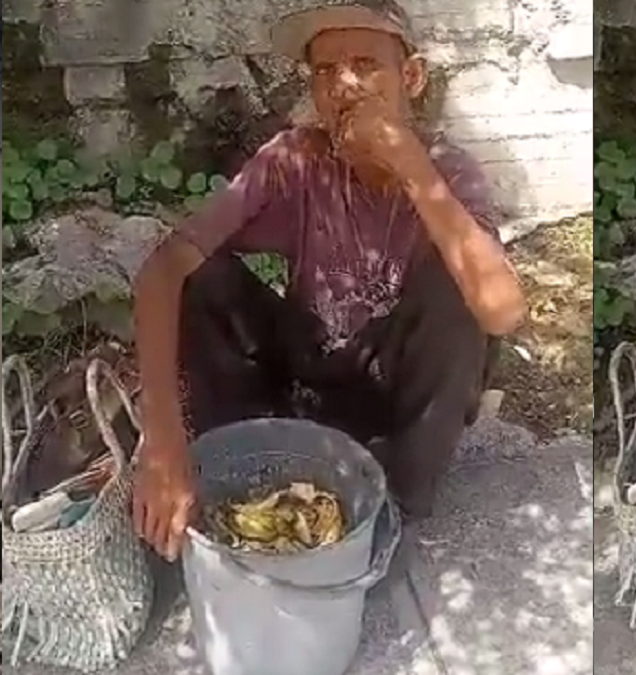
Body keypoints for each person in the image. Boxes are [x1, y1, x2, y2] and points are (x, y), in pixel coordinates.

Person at [130, 0, 526, 562]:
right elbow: (165, 267)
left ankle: (393, 502)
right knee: (206, 278)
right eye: (323, 71)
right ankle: (245, 468)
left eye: (366, 65)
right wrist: (162, 436)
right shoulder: (293, 161)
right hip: (306, 379)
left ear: (410, 78)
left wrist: (410, 165)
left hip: (393, 397)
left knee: (459, 288)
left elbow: (503, 311)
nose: (344, 84)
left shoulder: (449, 171)